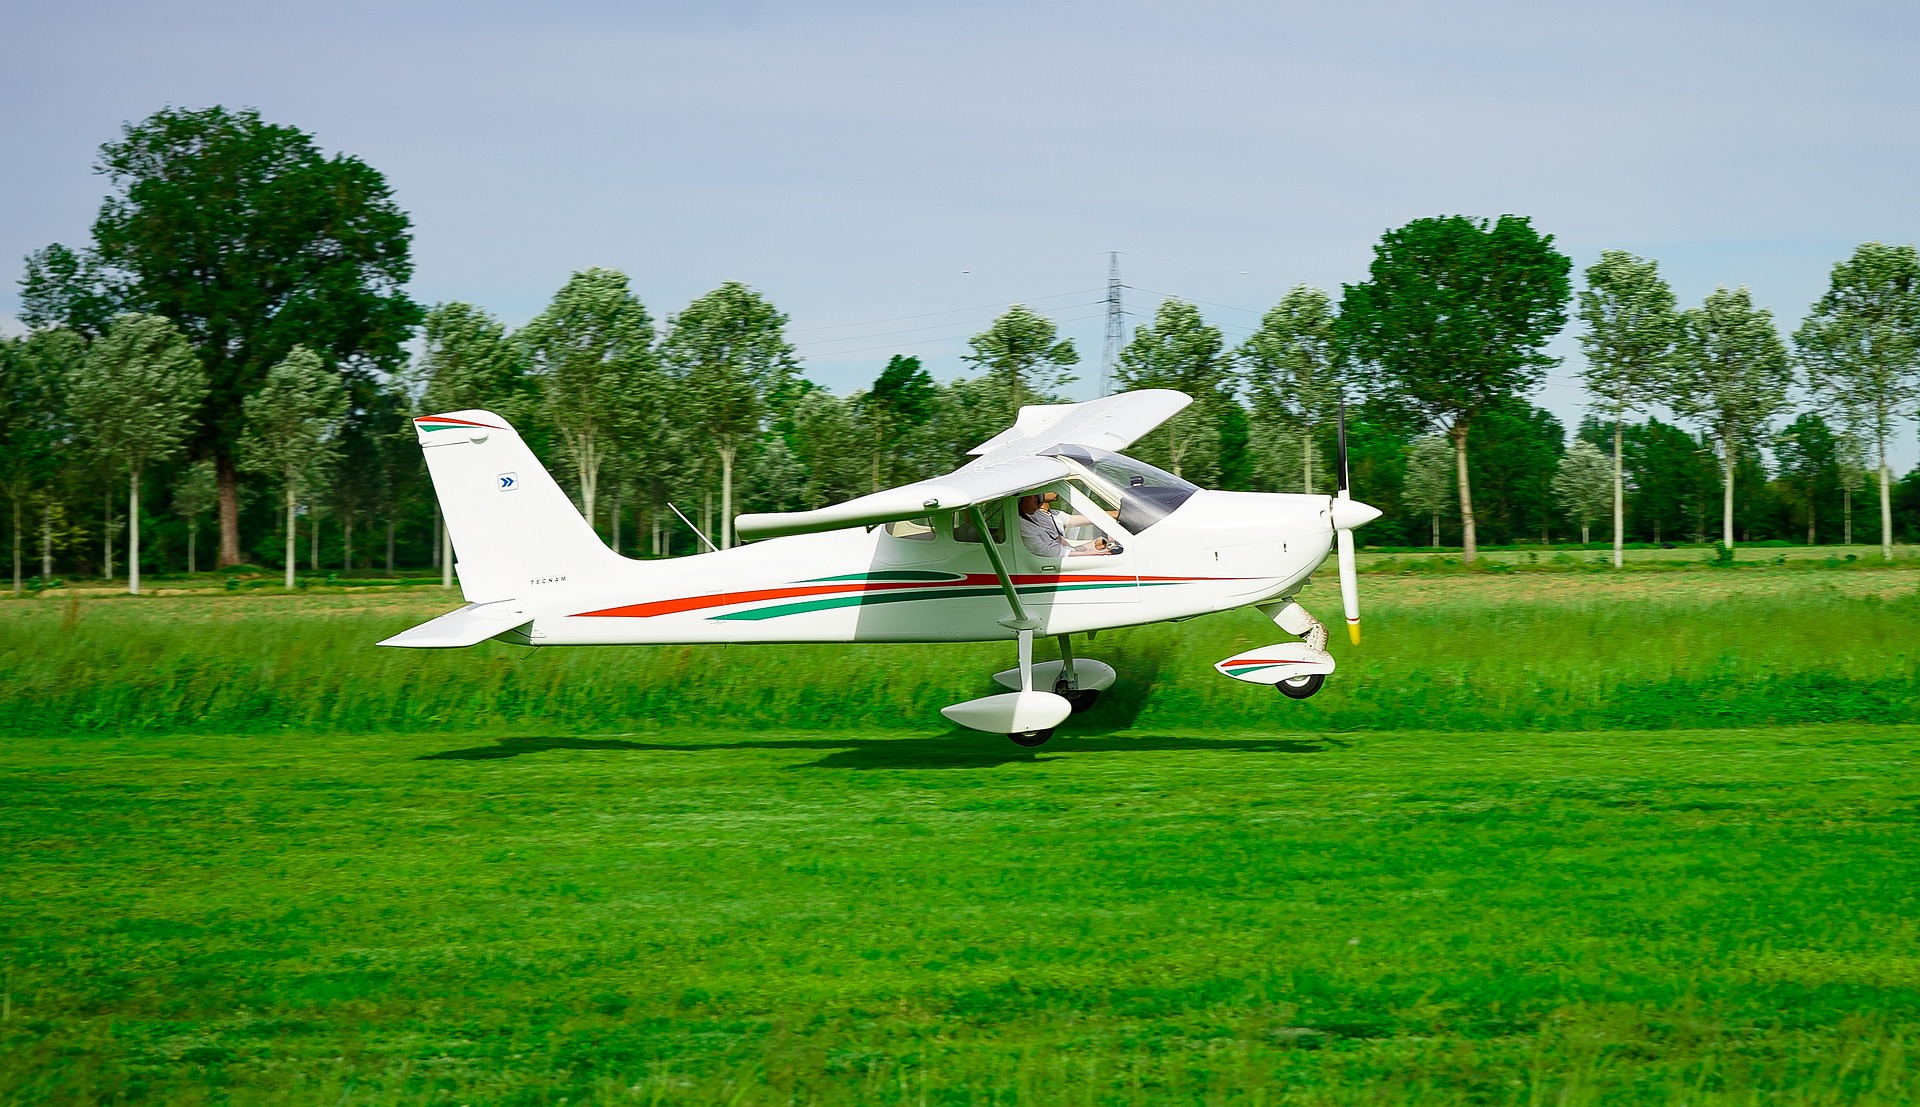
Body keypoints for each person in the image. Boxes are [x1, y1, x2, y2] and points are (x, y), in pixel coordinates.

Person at [1017, 491, 1118, 558]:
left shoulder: (1049, 514)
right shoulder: (1023, 523)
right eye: (1034, 495)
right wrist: (1090, 552)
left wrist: (1094, 545)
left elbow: (1061, 545)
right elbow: (1046, 550)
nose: (1055, 491)